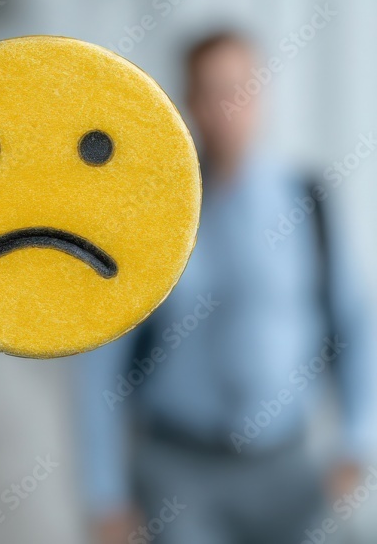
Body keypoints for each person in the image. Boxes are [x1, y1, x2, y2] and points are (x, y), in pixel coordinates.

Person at [78, 30, 375, 544]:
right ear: (189, 102)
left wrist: (358, 440)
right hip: (179, 471)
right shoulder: (151, 214)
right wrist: (104, 494)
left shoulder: (307, 201)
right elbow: (100, 364)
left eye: (241, 88)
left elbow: (355, 323)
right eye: (212, 91)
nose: (228, 108)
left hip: (288, 466)